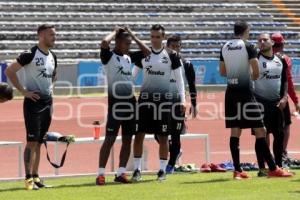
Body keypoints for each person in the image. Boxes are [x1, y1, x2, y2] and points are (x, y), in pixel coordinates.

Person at [219, 21, 292, 179]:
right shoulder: (249, 46)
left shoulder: (224, 46)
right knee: (261, 131)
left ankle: (237, 171)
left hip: (230, 93)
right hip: (246, 93)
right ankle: (272, 169)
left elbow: (223, 72)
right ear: (246, 31)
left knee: (235, 131)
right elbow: (256, 73)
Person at [96, 27, 150, 186]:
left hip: (131, 103)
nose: (129, 46)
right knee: (110, 139)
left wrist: (132, 34)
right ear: (118, 42)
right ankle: (100, 174)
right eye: (126, 43)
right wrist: (115, 31)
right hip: (116, 104)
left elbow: (147, 52)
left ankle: (120, 173)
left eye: (130, 43)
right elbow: (105, 42)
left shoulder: (128, 57)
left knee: (127, 140)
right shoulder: (108, 57)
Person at [5, 24, 57, 190]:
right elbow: (9, 71)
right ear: (41, 36)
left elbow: (54, 75)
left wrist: (50, 90)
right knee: (32, 141)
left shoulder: (53, 56)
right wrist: (23, 91)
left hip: (48, 102)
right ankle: (28, 179)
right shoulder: (30, 54)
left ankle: (36, 177)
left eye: (55, 35)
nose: (54, 38)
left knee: (40, 142)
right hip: (33, 103)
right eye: (51, 35)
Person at [131, 24, 186, 181]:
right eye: (152, 37)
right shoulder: (144, 54)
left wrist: (183, 100)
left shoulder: (172, 56)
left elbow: (180, 80)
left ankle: (162, 171)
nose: (154, 40)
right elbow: (131, 77)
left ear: (163, 38)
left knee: (163, 136)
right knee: (139, 134)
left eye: (157, 37)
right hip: (145, 101)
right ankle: (136, 170)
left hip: (164, 102)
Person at [155, 35, 198, 174]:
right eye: (172, 46)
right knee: (158, 134)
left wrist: (194, 104)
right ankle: (175, 150)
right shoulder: (161, 62)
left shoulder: (187, 64)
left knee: (175, 135)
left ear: (181, 47)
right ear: (167, 47)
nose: (175, 49)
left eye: (178, 46)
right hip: (161, 104)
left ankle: (170, 165)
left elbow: (192, 85)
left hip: (178, 104)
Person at [254, 33, 292, 176]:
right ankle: (262, 168)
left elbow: (284, 81)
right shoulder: (255, 59)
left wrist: (284, 98)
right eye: (259, 40)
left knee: (279, 135)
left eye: (265, 40)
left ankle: (278, 166)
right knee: (261, 136)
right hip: (260, 103)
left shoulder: (280, 60)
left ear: (271, 43)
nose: (262, 42)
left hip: (277, 104)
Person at [271, 33, 300, 164]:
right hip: (281, 98)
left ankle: (266, 154)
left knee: (265, 127)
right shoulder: (285, 59)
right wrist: (296, 101)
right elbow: (289, 81)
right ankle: (282, 152)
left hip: (264, 97)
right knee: (286, 125)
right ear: (282, 44)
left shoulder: (262, 57)